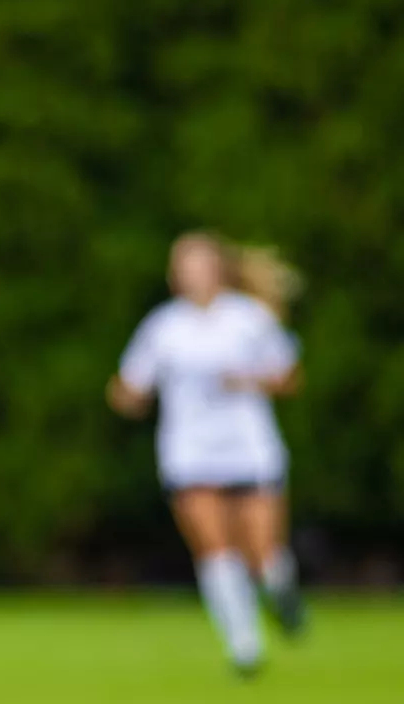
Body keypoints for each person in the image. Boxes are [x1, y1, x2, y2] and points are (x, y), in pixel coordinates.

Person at [108, 231, 305, 676]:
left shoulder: (249, 318)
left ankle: (281, 590)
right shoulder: (164, 326)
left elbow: (289, 378)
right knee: (214, 549)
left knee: (263, 551)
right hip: (189, 450)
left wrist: (249, 380)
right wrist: (127, 397)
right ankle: (244, 645)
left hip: (248, 446)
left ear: (218, 269)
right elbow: (130, 385)